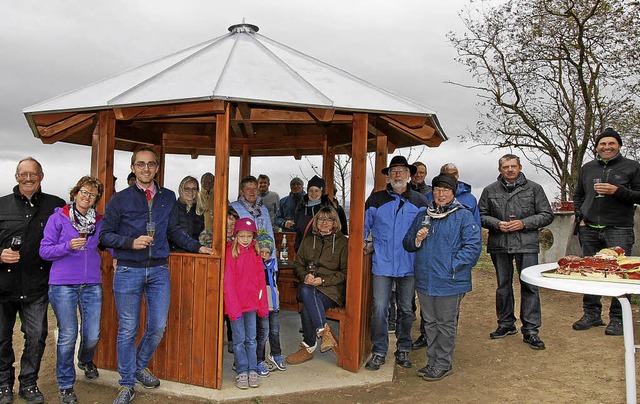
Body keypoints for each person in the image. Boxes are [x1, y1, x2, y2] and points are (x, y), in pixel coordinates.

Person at [99, 147, 212, 404]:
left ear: (157, 168)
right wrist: (130, 242)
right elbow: (104, 236)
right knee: (127, 329)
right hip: (128, 270)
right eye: (141, 164)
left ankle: (138, 366)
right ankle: (126, 384)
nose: (146, 169)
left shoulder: (168, 197)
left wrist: (198, 246)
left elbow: (174, 231)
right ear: (133, 168)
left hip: (159, 269)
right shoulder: (120, 199)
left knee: (158, 326)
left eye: (150, 164)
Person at [403, 174, 482, 381]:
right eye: (437, 190)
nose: (440, 194)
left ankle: (443, 364)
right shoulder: (423, 215)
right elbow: (407, 243)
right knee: (429, 322)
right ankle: (433, 361)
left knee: (445, 323)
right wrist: (417, 240)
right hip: (425, 279)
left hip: (450, 280)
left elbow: (473, 247)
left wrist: (452, 265)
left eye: (445, 190)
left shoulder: (463, 216)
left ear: (453, 193)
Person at [0, 157, 65, 404]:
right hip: (3, 287)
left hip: (37, 285)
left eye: (33, 174)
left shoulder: (56, 206)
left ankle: (28, 384)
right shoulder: (1, 205)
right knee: (1, 339)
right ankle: (3, 385)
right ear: (16, 177)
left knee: (37, 337)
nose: (28, 178)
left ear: (41, 175)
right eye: (23, 174)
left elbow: (69, 234)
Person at [39, 176, 104, 404]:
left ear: (96, 199)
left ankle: (85, 360)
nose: (87, 197)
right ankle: (66, 384)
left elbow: (107, 243)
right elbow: (44, 251)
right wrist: (67, 246)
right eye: (84, 192)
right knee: (68, 335)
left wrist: (118, 258)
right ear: (75, 193)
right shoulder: (58, 218)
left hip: (92, 283)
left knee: (93, 333)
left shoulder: (99, 220)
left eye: (92, 194)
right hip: (63, 284)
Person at [479, 154, 553, 349]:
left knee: (529, 286)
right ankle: (505, 324)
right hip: (500, 244)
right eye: (505, 167)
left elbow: (546, 215)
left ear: (520, 167)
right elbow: (480, 215)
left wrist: (524, 223)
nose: (510, 170)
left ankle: (531, 330)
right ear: (500, 170)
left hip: (526, 243)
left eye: (513, 166)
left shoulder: (534, 188)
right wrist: (497, 224)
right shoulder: (489, 190)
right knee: (503, 286)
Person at [572, 128, 640, 336]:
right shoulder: (588, 168)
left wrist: (617, 191)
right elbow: (578, 195)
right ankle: (591, 314)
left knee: (620, 275)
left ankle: (618, 320)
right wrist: (581, 217)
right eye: (603, 144)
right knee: (590, 272)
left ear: (618, 145)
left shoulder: (632, 167)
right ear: (597, 147)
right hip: (590, 229)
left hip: (619, 228)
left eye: (611, 143)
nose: (607, 147)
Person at [363, 155, 428, 371]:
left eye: (402, 171)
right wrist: (363, 245)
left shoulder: (420, 201)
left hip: (409, 263)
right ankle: (379, 351)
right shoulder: (376, 200)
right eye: (394, 171)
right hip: (382, 263)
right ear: (388, 176)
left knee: (407, 309)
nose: (398, 174)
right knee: (380, 308)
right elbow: (363, 227)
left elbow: (427, 231)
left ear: (409, 175)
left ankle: (403, 349)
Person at [286, 206, 348, 365]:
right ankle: (324, 332)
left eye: (328, 219)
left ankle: (309, 347)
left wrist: (323, 280)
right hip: (309, 286)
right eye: (321, 219)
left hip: (332, 290)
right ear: (316, 222)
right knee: (307, 291)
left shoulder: (343, 243)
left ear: (335, 222)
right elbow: (298, 265)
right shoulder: (308, 240)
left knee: (308, 305)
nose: (324, 222)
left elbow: (345, 272)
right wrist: (304, 275)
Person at [223, 218, 269, 389]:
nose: (245, 239)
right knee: (239, 340)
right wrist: (232, 308)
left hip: (251, 305)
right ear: (236, 236)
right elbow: (228, 283)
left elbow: (260, 280)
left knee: (252, 339)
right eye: (242, 235)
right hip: (236, 305)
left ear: (253, 236)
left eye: (249, 236)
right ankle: (242, 370)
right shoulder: (231, 253)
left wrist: (262, 305)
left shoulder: (256, 252)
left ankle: (252, 369)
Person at [255, 232, 286, 375]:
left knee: (275, 330)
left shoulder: (272, 266)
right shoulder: (255, 267)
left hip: (273, 305)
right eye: (261, 252)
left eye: (267, 252)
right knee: (263, 333)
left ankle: (276, 353)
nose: (264, 255)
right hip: (262, 305)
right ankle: (258, 360)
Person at [293, 175, 348, 250]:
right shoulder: (300, 208)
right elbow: (298, 229)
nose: (313, 193)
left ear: (322, 191)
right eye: (311, 190)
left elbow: (341, 230)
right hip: (303, 249)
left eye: (316, 190)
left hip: (325, 250)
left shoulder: (331, 208)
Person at [170, 176, 205, 251]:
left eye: (194, 189)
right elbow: (172, 233)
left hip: (195, 252)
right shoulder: (172, 208)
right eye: (187, 189)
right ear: (181, 189)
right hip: (175, 254)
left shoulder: (199, 210)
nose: (191, 192)